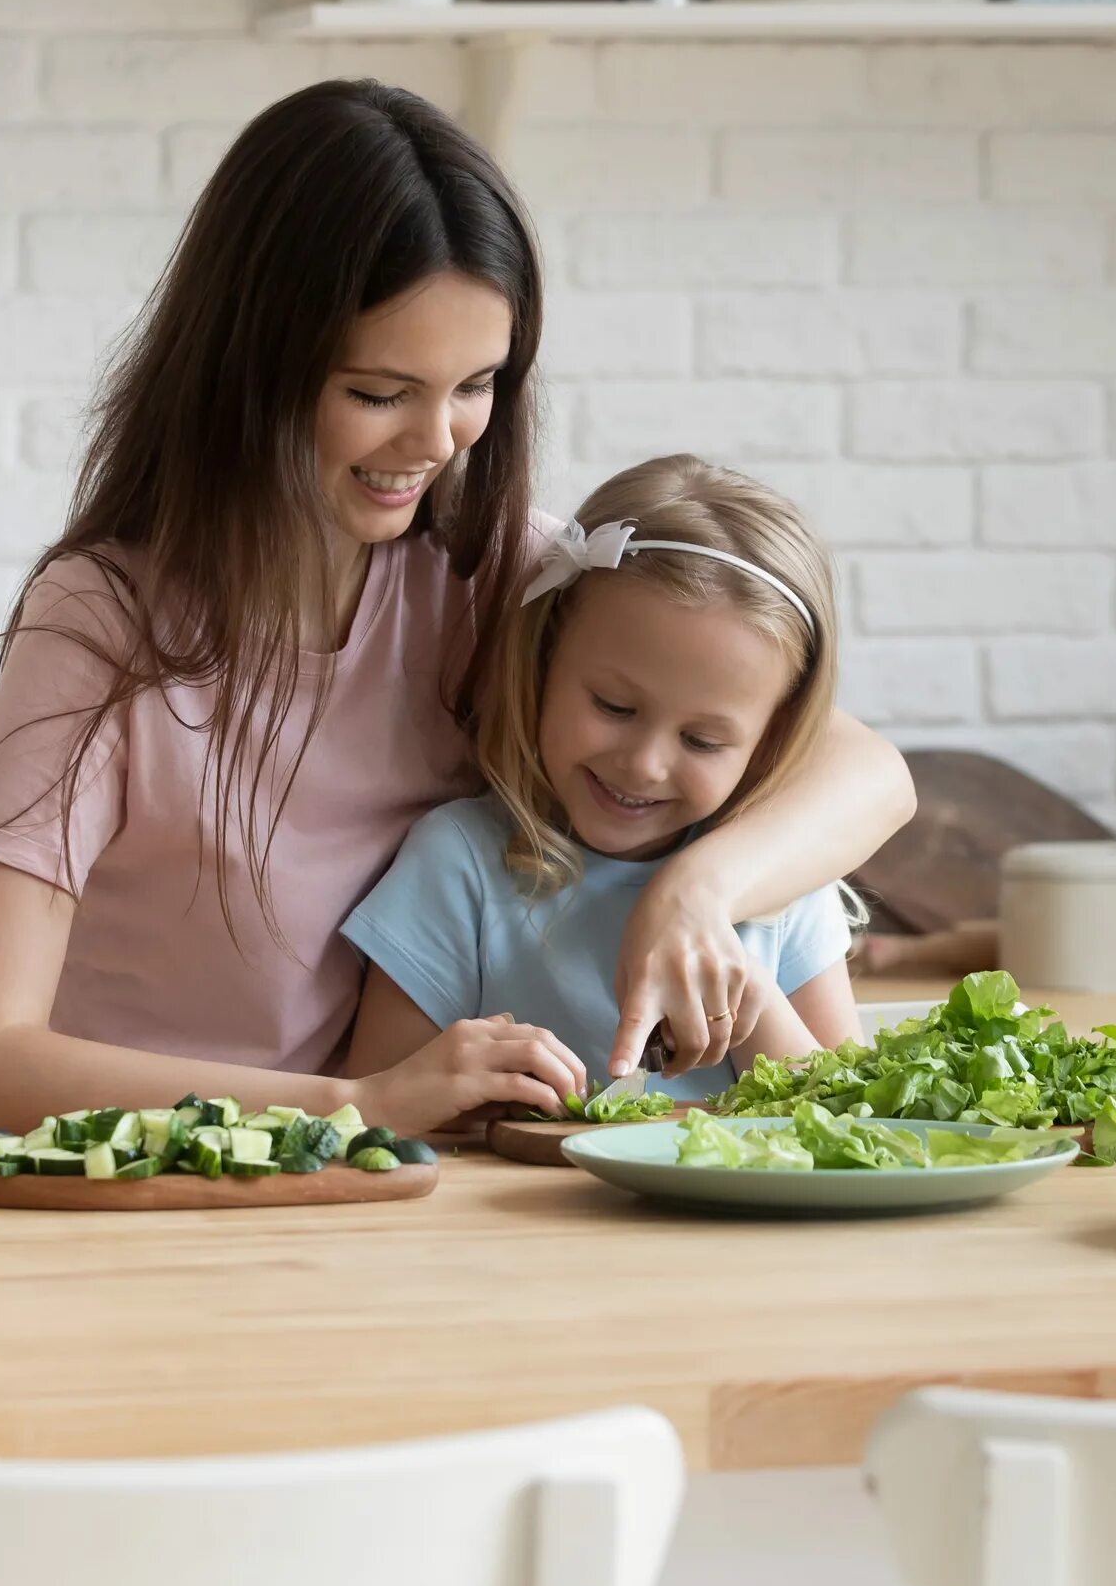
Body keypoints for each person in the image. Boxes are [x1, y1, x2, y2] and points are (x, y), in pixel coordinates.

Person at [0, 80, 911, 1138]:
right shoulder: (103, 624)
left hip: (380, 1201)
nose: (437, 442)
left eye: (476, 384)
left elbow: (866, 774)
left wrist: (699, 890)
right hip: (161, 1192)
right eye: (380, 393)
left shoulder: (489, 577)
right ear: (252, 368)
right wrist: (355, 1104)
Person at [340, 458, 862, 1117]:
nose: (644, 765)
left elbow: (858, 1117)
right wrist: (476, 1088)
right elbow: (381, 1110)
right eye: (614, 706)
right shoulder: (458, 863)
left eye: (702, 742)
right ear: (546, 658)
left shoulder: (780, 877)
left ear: (772, 736)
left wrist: (752, 1004)